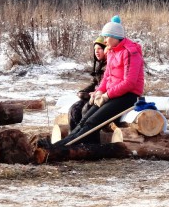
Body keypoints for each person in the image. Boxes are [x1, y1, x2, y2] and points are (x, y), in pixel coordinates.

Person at [54, 18, 145, 146]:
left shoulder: (130, 52)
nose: (104, 40)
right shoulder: (112, 51)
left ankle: (73, 146)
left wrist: (107, 95)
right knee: (85, 118)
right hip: (113, 94)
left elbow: (129, 83)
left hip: (128, 96)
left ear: (115, 37)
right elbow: (107, 76)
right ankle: (70, 144)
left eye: (106, 37)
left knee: (92, 122)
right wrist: (99, 92)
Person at [68, 35, 107, 131]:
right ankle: (73, 136)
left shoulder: (109, 65)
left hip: (105, 98)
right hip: (96, 95)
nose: (96, 51)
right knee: (74, 109)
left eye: (99, 49)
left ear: (106, 49)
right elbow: (94, 83)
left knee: (85, 109)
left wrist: (93, 94)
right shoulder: (100, 65)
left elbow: (107, 85)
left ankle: (87, 140)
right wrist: (83, 92)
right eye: (95, 49)